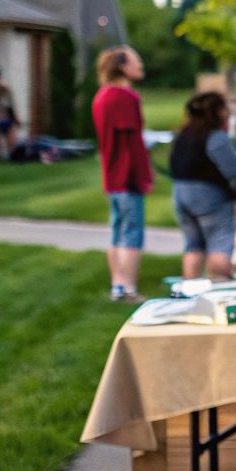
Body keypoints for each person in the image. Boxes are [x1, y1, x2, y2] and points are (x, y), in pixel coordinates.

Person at [92, 47, 153, 303]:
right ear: (123, 67)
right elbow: (132, 143)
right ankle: (128, 289)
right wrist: (143, 175)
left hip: (112, 176)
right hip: (127, 177)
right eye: (136, 61)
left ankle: (117, 285)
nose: (140, 65)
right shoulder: (125, 98)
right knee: (132, 232)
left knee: (117, 231)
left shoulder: (101, 96)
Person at [170, 91, 236, 280]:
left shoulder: (183, 134)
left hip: (180, 193)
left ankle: (190, 289)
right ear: (218, 111)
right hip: (209, 197)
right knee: (219, 242)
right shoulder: (216, 137)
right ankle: (218, 286)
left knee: (193, 245)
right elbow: (233, 173)